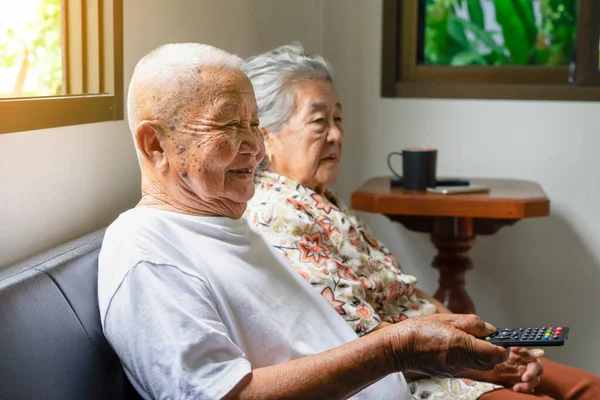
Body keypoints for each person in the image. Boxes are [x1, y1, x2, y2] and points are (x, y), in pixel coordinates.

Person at [97, 43, 508, 400]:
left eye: (253, 124)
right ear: (156, 145)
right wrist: (396, 349)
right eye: (228, 124)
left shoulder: (232, 225)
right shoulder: (146, 252)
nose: (255, 148)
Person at [243, 42, 600, 400]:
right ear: (266, 136)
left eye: (338, 118)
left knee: (589, 387)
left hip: (451, 353)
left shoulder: (320, 200)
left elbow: (409, 293)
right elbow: (359, 338)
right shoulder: (277, 216)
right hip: (411, 375)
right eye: (319, 121)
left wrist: (490, 344)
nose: (336, 134)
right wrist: (486, 360)